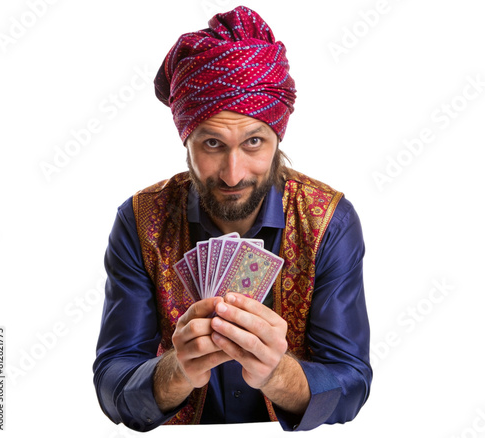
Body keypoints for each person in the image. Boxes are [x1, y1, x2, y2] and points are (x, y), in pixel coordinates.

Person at [93, 5, 372, 432]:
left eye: (254, 142)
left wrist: (279, 374)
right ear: (186, 141)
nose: (233, 173)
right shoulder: (139, 221)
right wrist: (176, 372)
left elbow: (351, 383)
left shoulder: (330, 222)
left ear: (278, 138)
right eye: (212, 143)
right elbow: (112, 377)